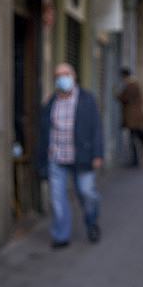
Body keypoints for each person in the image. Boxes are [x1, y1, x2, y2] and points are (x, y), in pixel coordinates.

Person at [38, 62, 103, 248]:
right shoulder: (51, 102)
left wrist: (97, 154)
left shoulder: (86, 99)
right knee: (57, 199)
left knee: (87, 193)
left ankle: (92, 223)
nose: (62, 78)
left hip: (82, 155)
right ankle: (61, 236)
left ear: (74, 76)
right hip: (56, 157)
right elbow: (44, 132)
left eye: (66, 74)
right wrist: (41, 158)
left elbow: (96, 128)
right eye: (58, 75)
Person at [115, 67, 143, 167]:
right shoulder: (134, 84)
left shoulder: (131, 86)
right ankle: (138, 159)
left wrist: (116, 94)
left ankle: (136, 160)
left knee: (134, 138)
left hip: (133, 118)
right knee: (135, 138)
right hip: (135, 117)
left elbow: (124, 98)